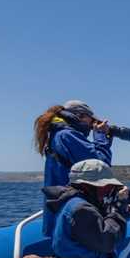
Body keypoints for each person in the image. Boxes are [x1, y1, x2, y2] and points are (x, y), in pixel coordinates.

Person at [34, 100, 115, 237]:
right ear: (80, 116)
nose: (92, 126)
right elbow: (100, 165)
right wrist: (100, 137)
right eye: (92, 120)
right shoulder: (67, 135)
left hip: (60, 208)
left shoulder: (56, 134)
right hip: (71, 210)